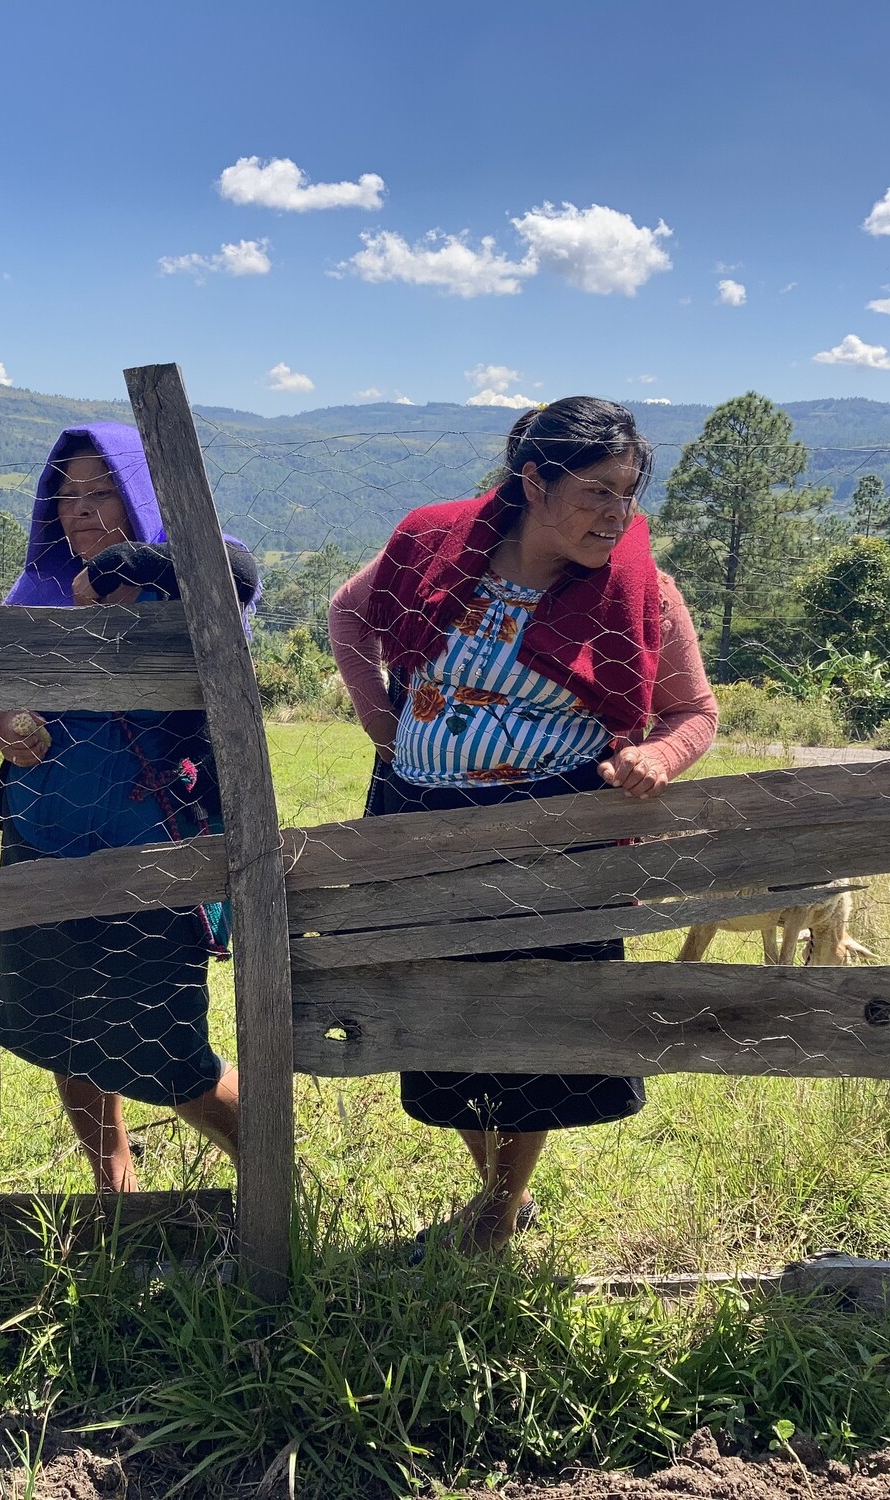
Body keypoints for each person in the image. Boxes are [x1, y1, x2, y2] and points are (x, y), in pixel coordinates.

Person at [329, 398, 718, 1254]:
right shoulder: (433, 545)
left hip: (550, 838)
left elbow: (693, 711)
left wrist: (658, 759)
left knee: (532, 1022)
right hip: (419, 826)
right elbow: (348, 615)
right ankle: (492, 1187)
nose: (617, 515)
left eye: (629, 493)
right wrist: (379, 719)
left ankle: (503, 1207)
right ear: (534, 480)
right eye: (597, 492)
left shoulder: (641, 588)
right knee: (440, 1018)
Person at [0, 424, 258, 1190]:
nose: (80, 510)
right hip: (44, 844)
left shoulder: (187, 573)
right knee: (59, 1034)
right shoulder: (38, 589)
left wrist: (128, 567)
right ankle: (115, 1186)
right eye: (67, 495)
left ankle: (272, 1175)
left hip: (152, 853)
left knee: (169, 1054)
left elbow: (237, 574)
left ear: (139, 492)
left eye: (101, 490)